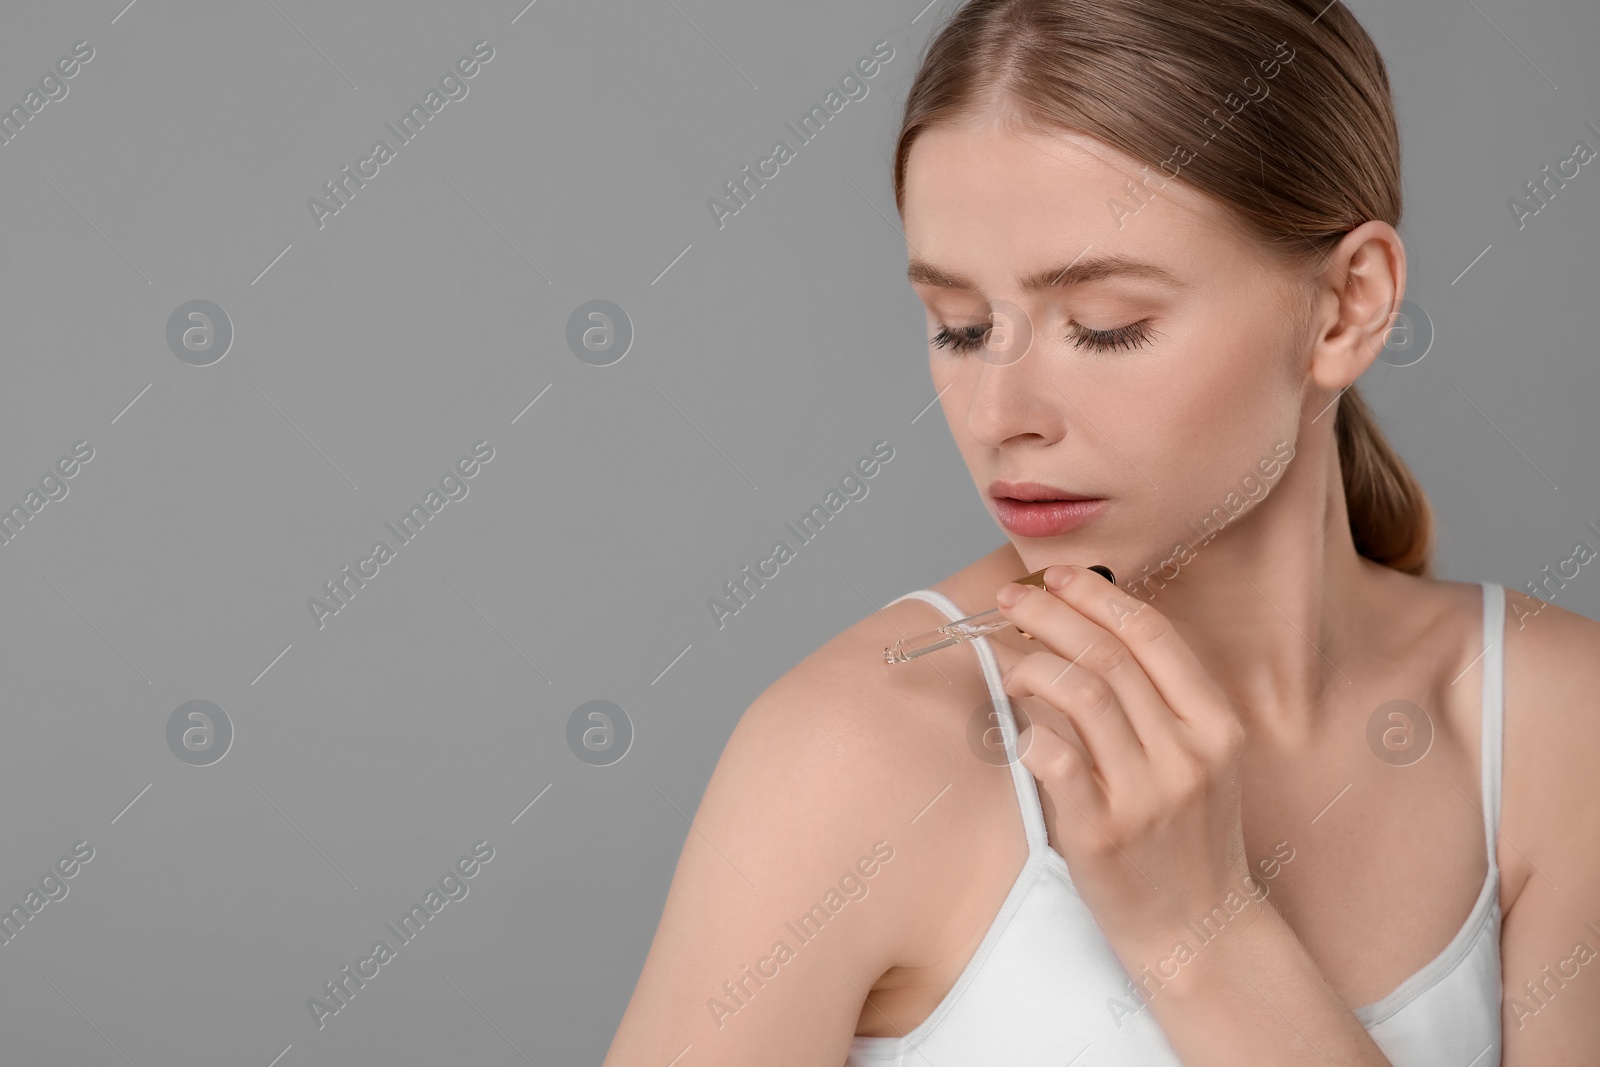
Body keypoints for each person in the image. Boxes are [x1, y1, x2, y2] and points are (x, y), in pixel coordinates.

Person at [604, 1, 1600, 1062]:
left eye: (1105, 324)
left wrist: (1199, 932)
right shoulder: (851, 756)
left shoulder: (1556, 726)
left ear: (1347, 307)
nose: (998, 415)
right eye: (960, 327)